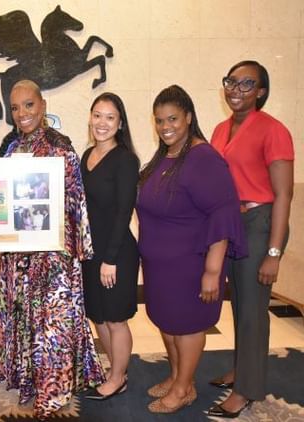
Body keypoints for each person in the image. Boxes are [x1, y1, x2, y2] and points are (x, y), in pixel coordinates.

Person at [0, 80, 104, 420]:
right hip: (17, 254)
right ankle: (29, 381)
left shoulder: (61, 147)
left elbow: (75, 200)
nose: (22, 113)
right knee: (25, 318)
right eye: (15, 108)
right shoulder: (9, 148)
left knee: (51, 325)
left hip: (53, 254)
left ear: (41, 106)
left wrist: (76, 247)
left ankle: (52, 395)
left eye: (28, 105)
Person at [136, 85, 246, 414]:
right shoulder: (166, 155)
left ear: (188, 117)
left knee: (187, 327)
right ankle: (176, 377)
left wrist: (213, 271)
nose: (165, 126)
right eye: (159, 120)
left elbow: (223, 213)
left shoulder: (203, 158)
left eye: (172, 118)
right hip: (161, 267)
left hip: (190, 265)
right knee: (168, 323)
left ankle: (184, 388)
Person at [207, 61, 294, 418]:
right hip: (231, 224)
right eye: (231, 82)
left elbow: (284, 195)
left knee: (254, 310)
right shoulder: (219, 129)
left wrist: (274, 252)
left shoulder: (273, 130)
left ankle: (247, 389)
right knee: (239, 304)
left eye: (247, 84)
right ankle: (242, 369)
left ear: (260, 91)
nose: (236, 90)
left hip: (261, 222)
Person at [80, 93, 139, 400]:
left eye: (110, 117)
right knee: (98, 315)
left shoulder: (126, 160)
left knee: (116, 318)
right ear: (90, 117)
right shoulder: (86, 155)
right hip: (90, 253)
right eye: (97, 115)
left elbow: (123, 211)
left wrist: (110, 259)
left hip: (116, 254)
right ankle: (116, 369)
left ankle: (117, 378)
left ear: (120, 123)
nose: (102, 123)